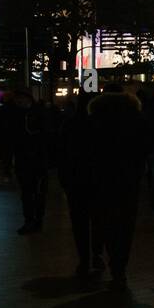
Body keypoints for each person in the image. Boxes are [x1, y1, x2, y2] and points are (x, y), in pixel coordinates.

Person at [88, 86, 146, 291]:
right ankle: (120, 266)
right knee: (125, 224)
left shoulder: (95, 119)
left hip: (101, 178)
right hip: (129, 180)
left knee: (105, 220)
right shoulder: (136, 119)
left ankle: (109, 255)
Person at [59, 90, 103, 277]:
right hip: (97, 179)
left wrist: (64, 178)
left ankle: (84, 259)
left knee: (79, 222)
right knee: (98, 219)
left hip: (75, 180)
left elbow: (62, 153)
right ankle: (97, 253)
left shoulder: (70, 125)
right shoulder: (101, 125)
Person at [16, 95, 53, 234]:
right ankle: (36, 221)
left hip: (30, 161)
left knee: (29, 193)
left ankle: (31, 220)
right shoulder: (40, 114)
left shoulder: (26, 116)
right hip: (37, 160)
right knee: (36, 193)